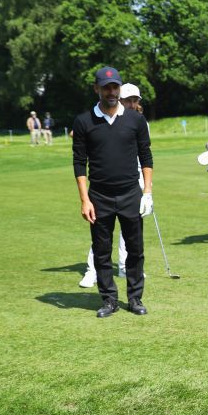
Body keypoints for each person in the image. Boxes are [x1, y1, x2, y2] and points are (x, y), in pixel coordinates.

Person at [72, 67, 153, 317]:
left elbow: (146, 155)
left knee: (135, 249)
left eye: (115, 87)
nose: (111, 92)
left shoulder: (135, 119)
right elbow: (79, 163)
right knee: (102, 250)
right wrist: (85, 199)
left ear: (119, 89)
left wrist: (147, 192)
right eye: (106, 87)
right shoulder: (84, 121)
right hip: (100, 196)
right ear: (97, 89)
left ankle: (135, 297)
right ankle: (109, 299)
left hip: (131, 193)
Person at [78, 83, 144, 288]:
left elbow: (144, 153)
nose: (132, 103)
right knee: (101, 239)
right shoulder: (96, 117)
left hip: (134, 180)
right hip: (104, 187)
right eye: (129, 100)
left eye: (136, 100)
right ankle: (92, 270)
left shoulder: (139, 121)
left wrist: (147, 189)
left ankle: (125, 267)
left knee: (131, 238)